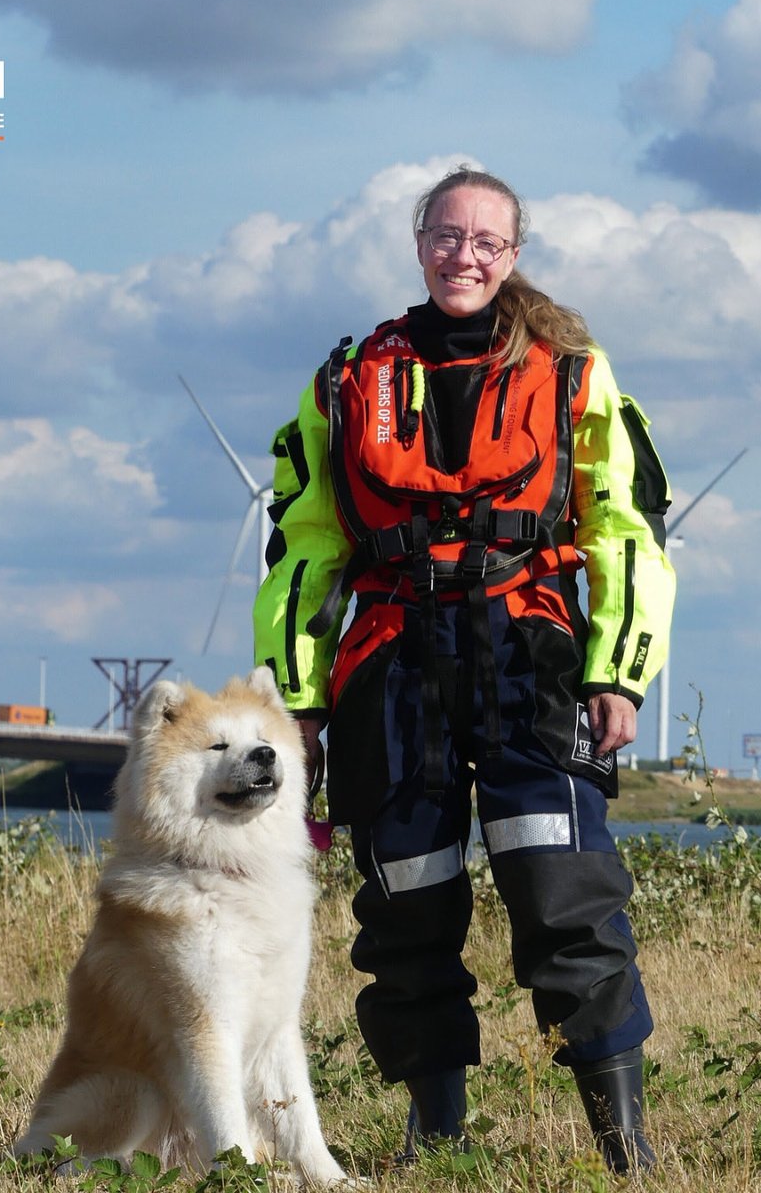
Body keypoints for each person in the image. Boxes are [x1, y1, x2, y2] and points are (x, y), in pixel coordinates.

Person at [252, 165, 676, 1173]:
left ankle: (629, 1153)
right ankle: (433, 1139)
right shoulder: (348, 377)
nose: (464, 256)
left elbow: (623, 527)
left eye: (486, 242)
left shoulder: (573, 371)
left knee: (566, 893)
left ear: (512, 255)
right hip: (391, 661)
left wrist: (616, 674)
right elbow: (305, 547)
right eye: (448, 237)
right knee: (405, 901)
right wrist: (301, 700)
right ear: (418, 243)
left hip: (527, 654)